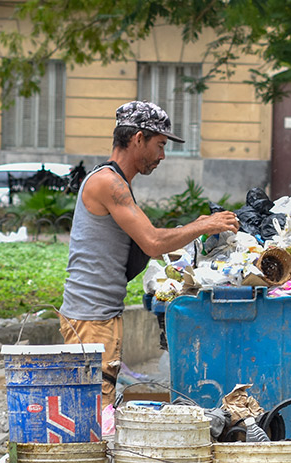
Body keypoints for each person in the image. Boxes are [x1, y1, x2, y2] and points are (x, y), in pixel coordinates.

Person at [59, 101, 240, 398]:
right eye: (160, 145)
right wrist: (204, 225)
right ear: (138, 138)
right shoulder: (108, 183)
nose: (163, 156)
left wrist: (196, 233)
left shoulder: (116, 182)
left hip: (97, 317)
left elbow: (152, 245)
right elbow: (153, 242)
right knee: (90, 416)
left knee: (94, 412)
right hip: (90, 321)